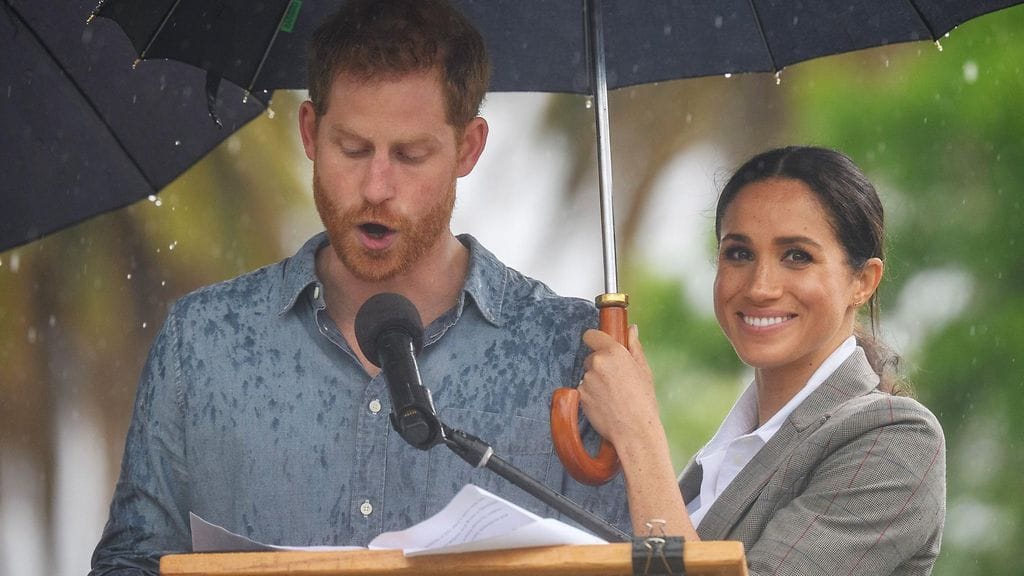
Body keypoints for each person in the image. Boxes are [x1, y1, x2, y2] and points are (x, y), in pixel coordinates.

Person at [90, 1, 628, 573]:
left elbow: (631, 560)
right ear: (310, 132)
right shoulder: (201, 342)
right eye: (352, 149)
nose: (376, 187)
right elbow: (131, 562)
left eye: (410, 155)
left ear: (469, 148)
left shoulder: (568, 349)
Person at [579, 146, 946, 575]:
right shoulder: (721, 457)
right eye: (739, 253)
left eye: (796, 256)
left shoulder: (897, 441)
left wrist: (638, 435)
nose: (760, 286)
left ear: (862, 282)